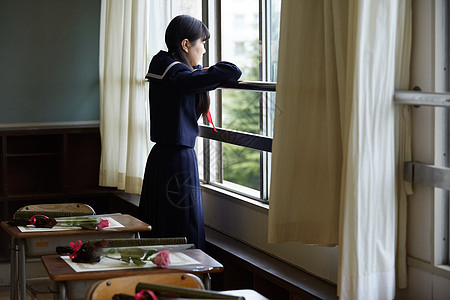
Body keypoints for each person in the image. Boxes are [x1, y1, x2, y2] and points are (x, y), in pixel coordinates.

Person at [139, 15, 242, 249]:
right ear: (185, 45)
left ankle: (160, 280)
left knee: (160, 226)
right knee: (185, 228)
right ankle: (190, 279)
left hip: (160, 158)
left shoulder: (163, 65)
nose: (204, 50)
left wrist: (197, 69)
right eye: (202, 43)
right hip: (179, 161)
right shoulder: (180, 76)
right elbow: (232, 71)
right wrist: (200, 70)